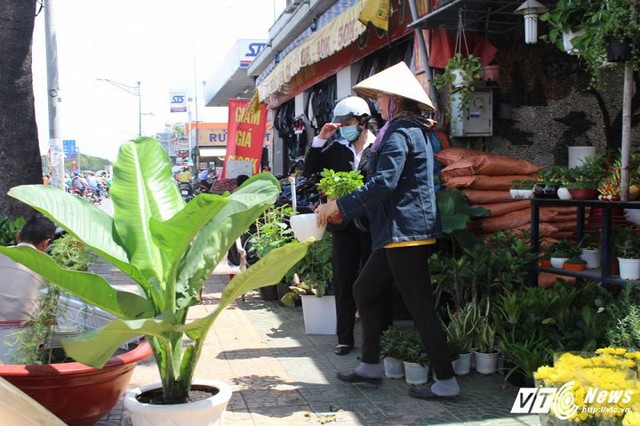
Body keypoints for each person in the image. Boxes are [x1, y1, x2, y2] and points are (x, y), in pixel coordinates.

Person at [315, 62, 459, 400]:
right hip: (399, 230)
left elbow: (385, 182)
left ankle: (446, 380)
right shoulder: (408, 129)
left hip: (405, 231)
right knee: (363, 289)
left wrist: (341, 205)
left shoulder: (399, 132)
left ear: (395, 99)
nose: (378, 103)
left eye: (381, 97)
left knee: (420, 307)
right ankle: (370, 364)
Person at [304, 96, 392, 356]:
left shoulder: (380, 146)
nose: (343, 128)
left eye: (348, 123)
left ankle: (380, 336)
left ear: (363, 122)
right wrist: (321, 138)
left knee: (377, 282)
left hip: (373, 224)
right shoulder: (335, 149)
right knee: (344, 281)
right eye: (340, 124)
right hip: (342, 226)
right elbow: (310, 169)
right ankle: (345, 338)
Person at [0, 215, 57, 322]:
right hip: (24, 334)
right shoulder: (48, 269)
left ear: (18, 235)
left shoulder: (2, 253)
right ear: (46, 243)